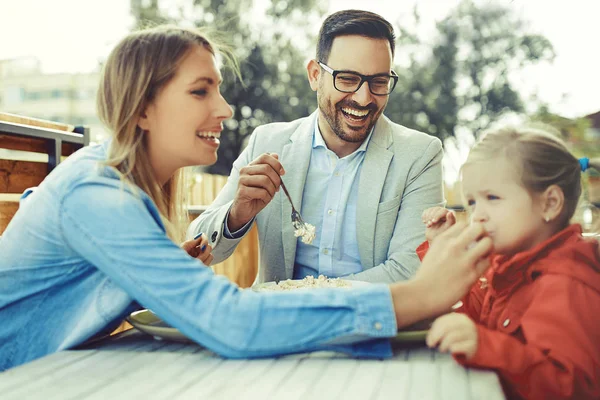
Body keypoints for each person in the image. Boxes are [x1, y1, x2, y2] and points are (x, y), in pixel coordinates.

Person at [0, 25, 492, 372]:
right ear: (143, 109)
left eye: (378, 81)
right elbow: (227, 319)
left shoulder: (118, 186)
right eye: (201, 91)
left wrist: (164, 270)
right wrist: (423, 296)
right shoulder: (98, 194)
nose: (226, 107)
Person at [188, 9, 444, 284]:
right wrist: (236, 215)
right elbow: (197, 248)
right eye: (347, 79)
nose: (363, 97)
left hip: (372, 323)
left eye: (379, 82)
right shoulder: (267, 142)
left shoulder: (419, 154)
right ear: (314, 75)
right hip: (280, 324)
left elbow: (409, 272)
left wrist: (308, 297)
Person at [418, 127, 600, 399]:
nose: (477, 215)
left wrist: (485, 346)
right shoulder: (511, 263)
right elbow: (484, 316)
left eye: (492, 198)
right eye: (471, 202)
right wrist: (440, 247)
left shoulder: (565, 283)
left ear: (549, 203)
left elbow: (572, 388)